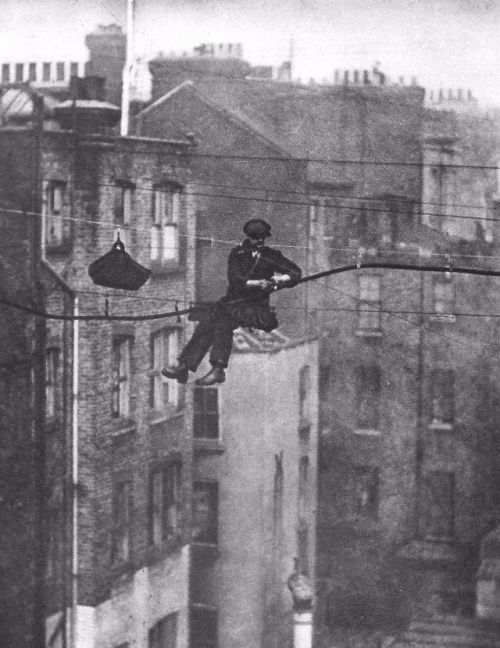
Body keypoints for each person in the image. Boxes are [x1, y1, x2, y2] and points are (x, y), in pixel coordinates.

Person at [162, 218, 302, 386]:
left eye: (263, 238)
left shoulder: (271, 256)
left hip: (255, 308)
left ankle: (216, 369)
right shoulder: (237, 254)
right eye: (257, 238)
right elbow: (235, 279)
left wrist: (278, 280)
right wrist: (258, 282)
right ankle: (185, 366)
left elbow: (295, 272)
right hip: (232, 303)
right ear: (249, 237)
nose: (260, 241)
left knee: (223, 320)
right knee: (208, 321)